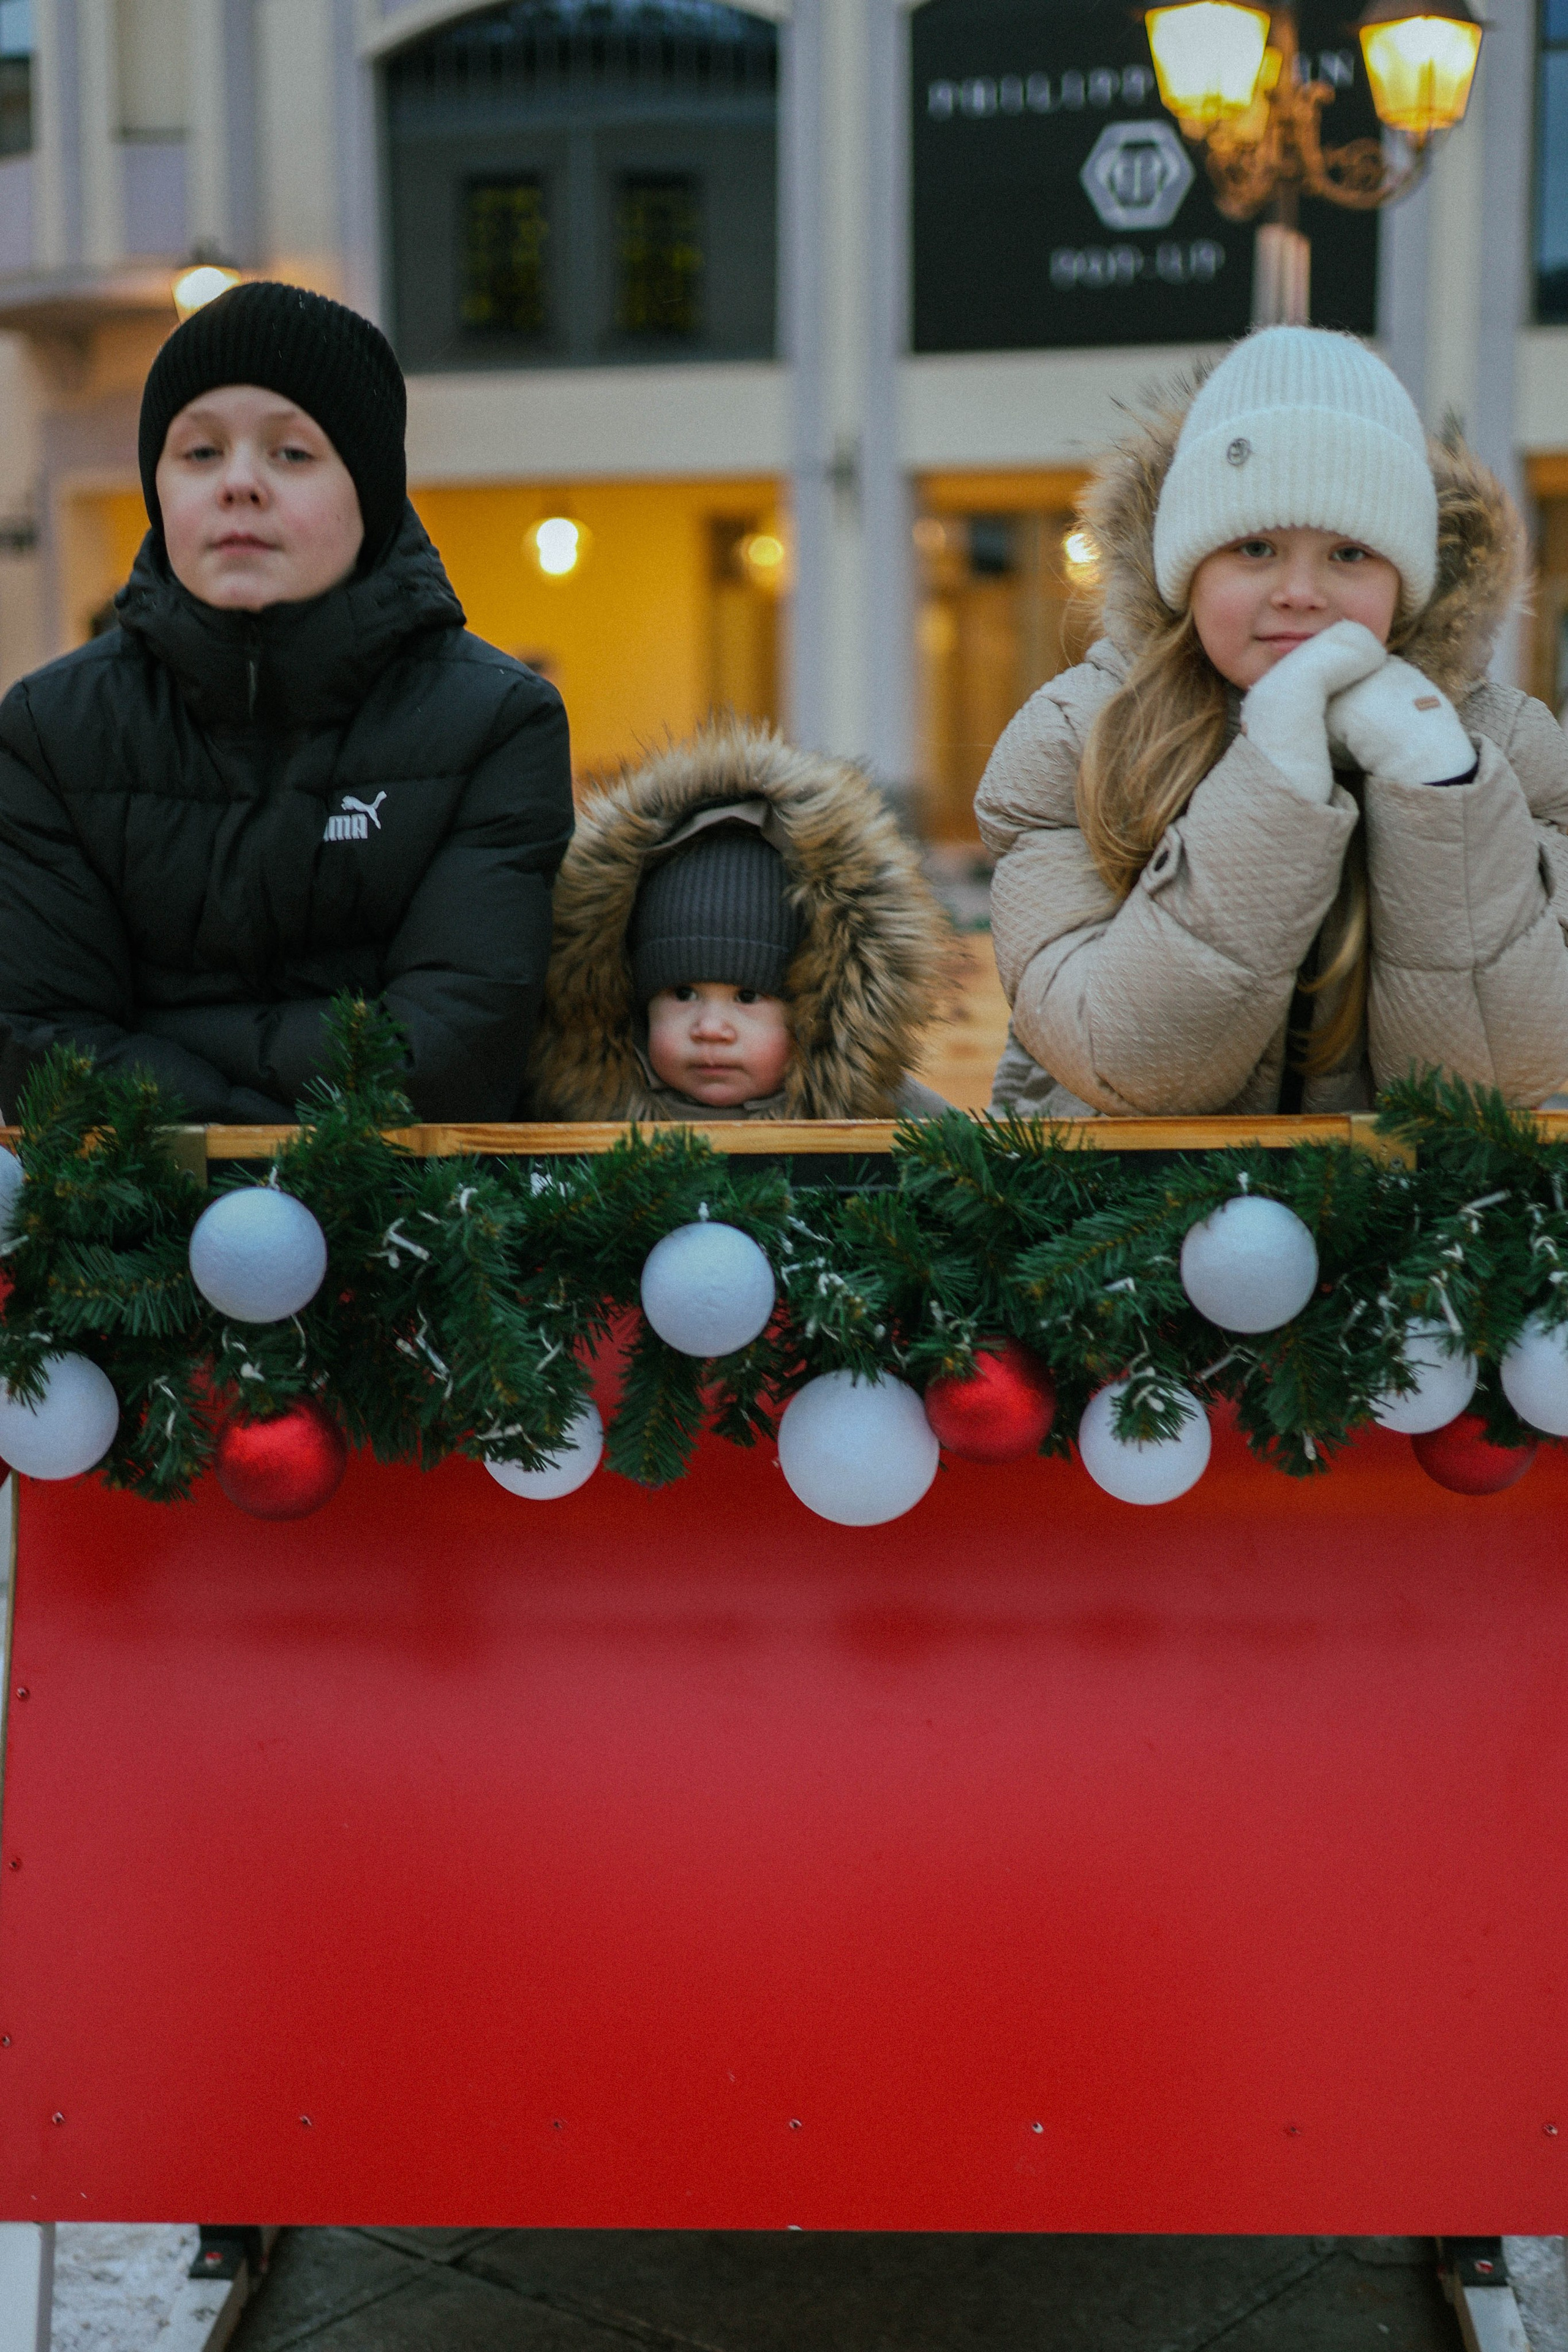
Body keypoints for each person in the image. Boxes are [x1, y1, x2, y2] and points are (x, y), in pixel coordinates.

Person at [0, 281, 573, 1125]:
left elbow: (455, 1053)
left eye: (291, 454)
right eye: (199, 453)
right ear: (159, 486)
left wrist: (176, 1064)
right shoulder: (50, 731)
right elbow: (40, 1045)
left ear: (369, 491)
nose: (239, 485)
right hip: (118, 1237)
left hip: (409, 1233)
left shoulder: (496, 722)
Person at [978, 325, 1568, 1119]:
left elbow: (1495, 1088)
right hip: (1115, 1224)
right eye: (1256, 547)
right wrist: (1275, 782)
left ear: (1409, 579)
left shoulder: (1509, 755)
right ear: (1190, 569)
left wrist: (1441, 786)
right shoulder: (1078, 738)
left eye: (1349, 554)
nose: (1300, 590)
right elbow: (1128, 1062)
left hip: (1401, 1226)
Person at [526, 723, 952, 1120]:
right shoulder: (567, 1127)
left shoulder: (891, 1125)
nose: (710, 1029)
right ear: (628, 1005)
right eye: (683, 993)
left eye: (748, 996)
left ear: (819, 1015)